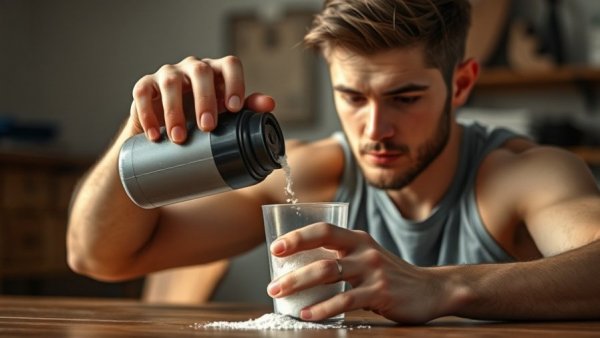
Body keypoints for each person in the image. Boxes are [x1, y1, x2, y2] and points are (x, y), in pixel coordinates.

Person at [67, 0, 600, 323]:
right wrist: (139, 134)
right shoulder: (310, 171)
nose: (374, 129)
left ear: (460, 84)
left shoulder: (521, 175)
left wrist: (441, 286)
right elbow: (99, 257)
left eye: (405, 98)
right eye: (352, 97)